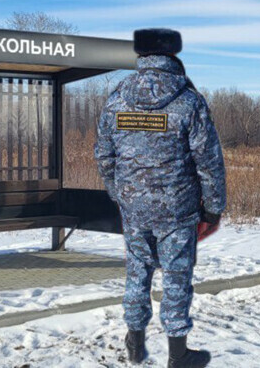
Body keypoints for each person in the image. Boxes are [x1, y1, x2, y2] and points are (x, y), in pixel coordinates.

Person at [95, 28, 226, 368]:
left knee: (137, 271)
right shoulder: (189, 100)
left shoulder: (117, 97)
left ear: (141, 56)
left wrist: (119, 194)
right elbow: (208, 161)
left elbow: (104, 155)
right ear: (173, 55)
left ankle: (135, 343)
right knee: (177, 276)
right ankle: (178, 354)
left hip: (134, 208)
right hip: (178, 209)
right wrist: (212, 208)